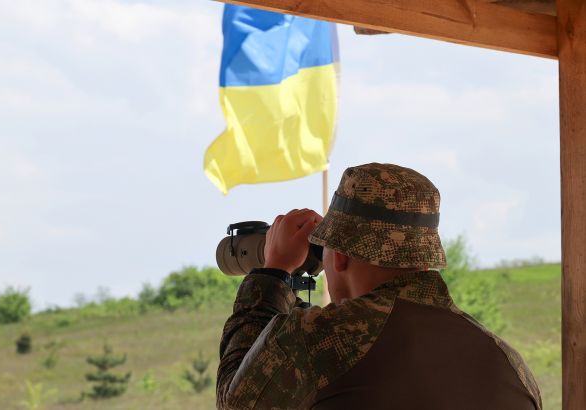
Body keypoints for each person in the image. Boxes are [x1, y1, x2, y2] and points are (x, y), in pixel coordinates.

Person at [216, 163, 541, 410]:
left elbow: (235, 401)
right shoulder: (509, 365)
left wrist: (273, 274)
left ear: (339, 256)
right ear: (422, 259)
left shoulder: (320, 339)